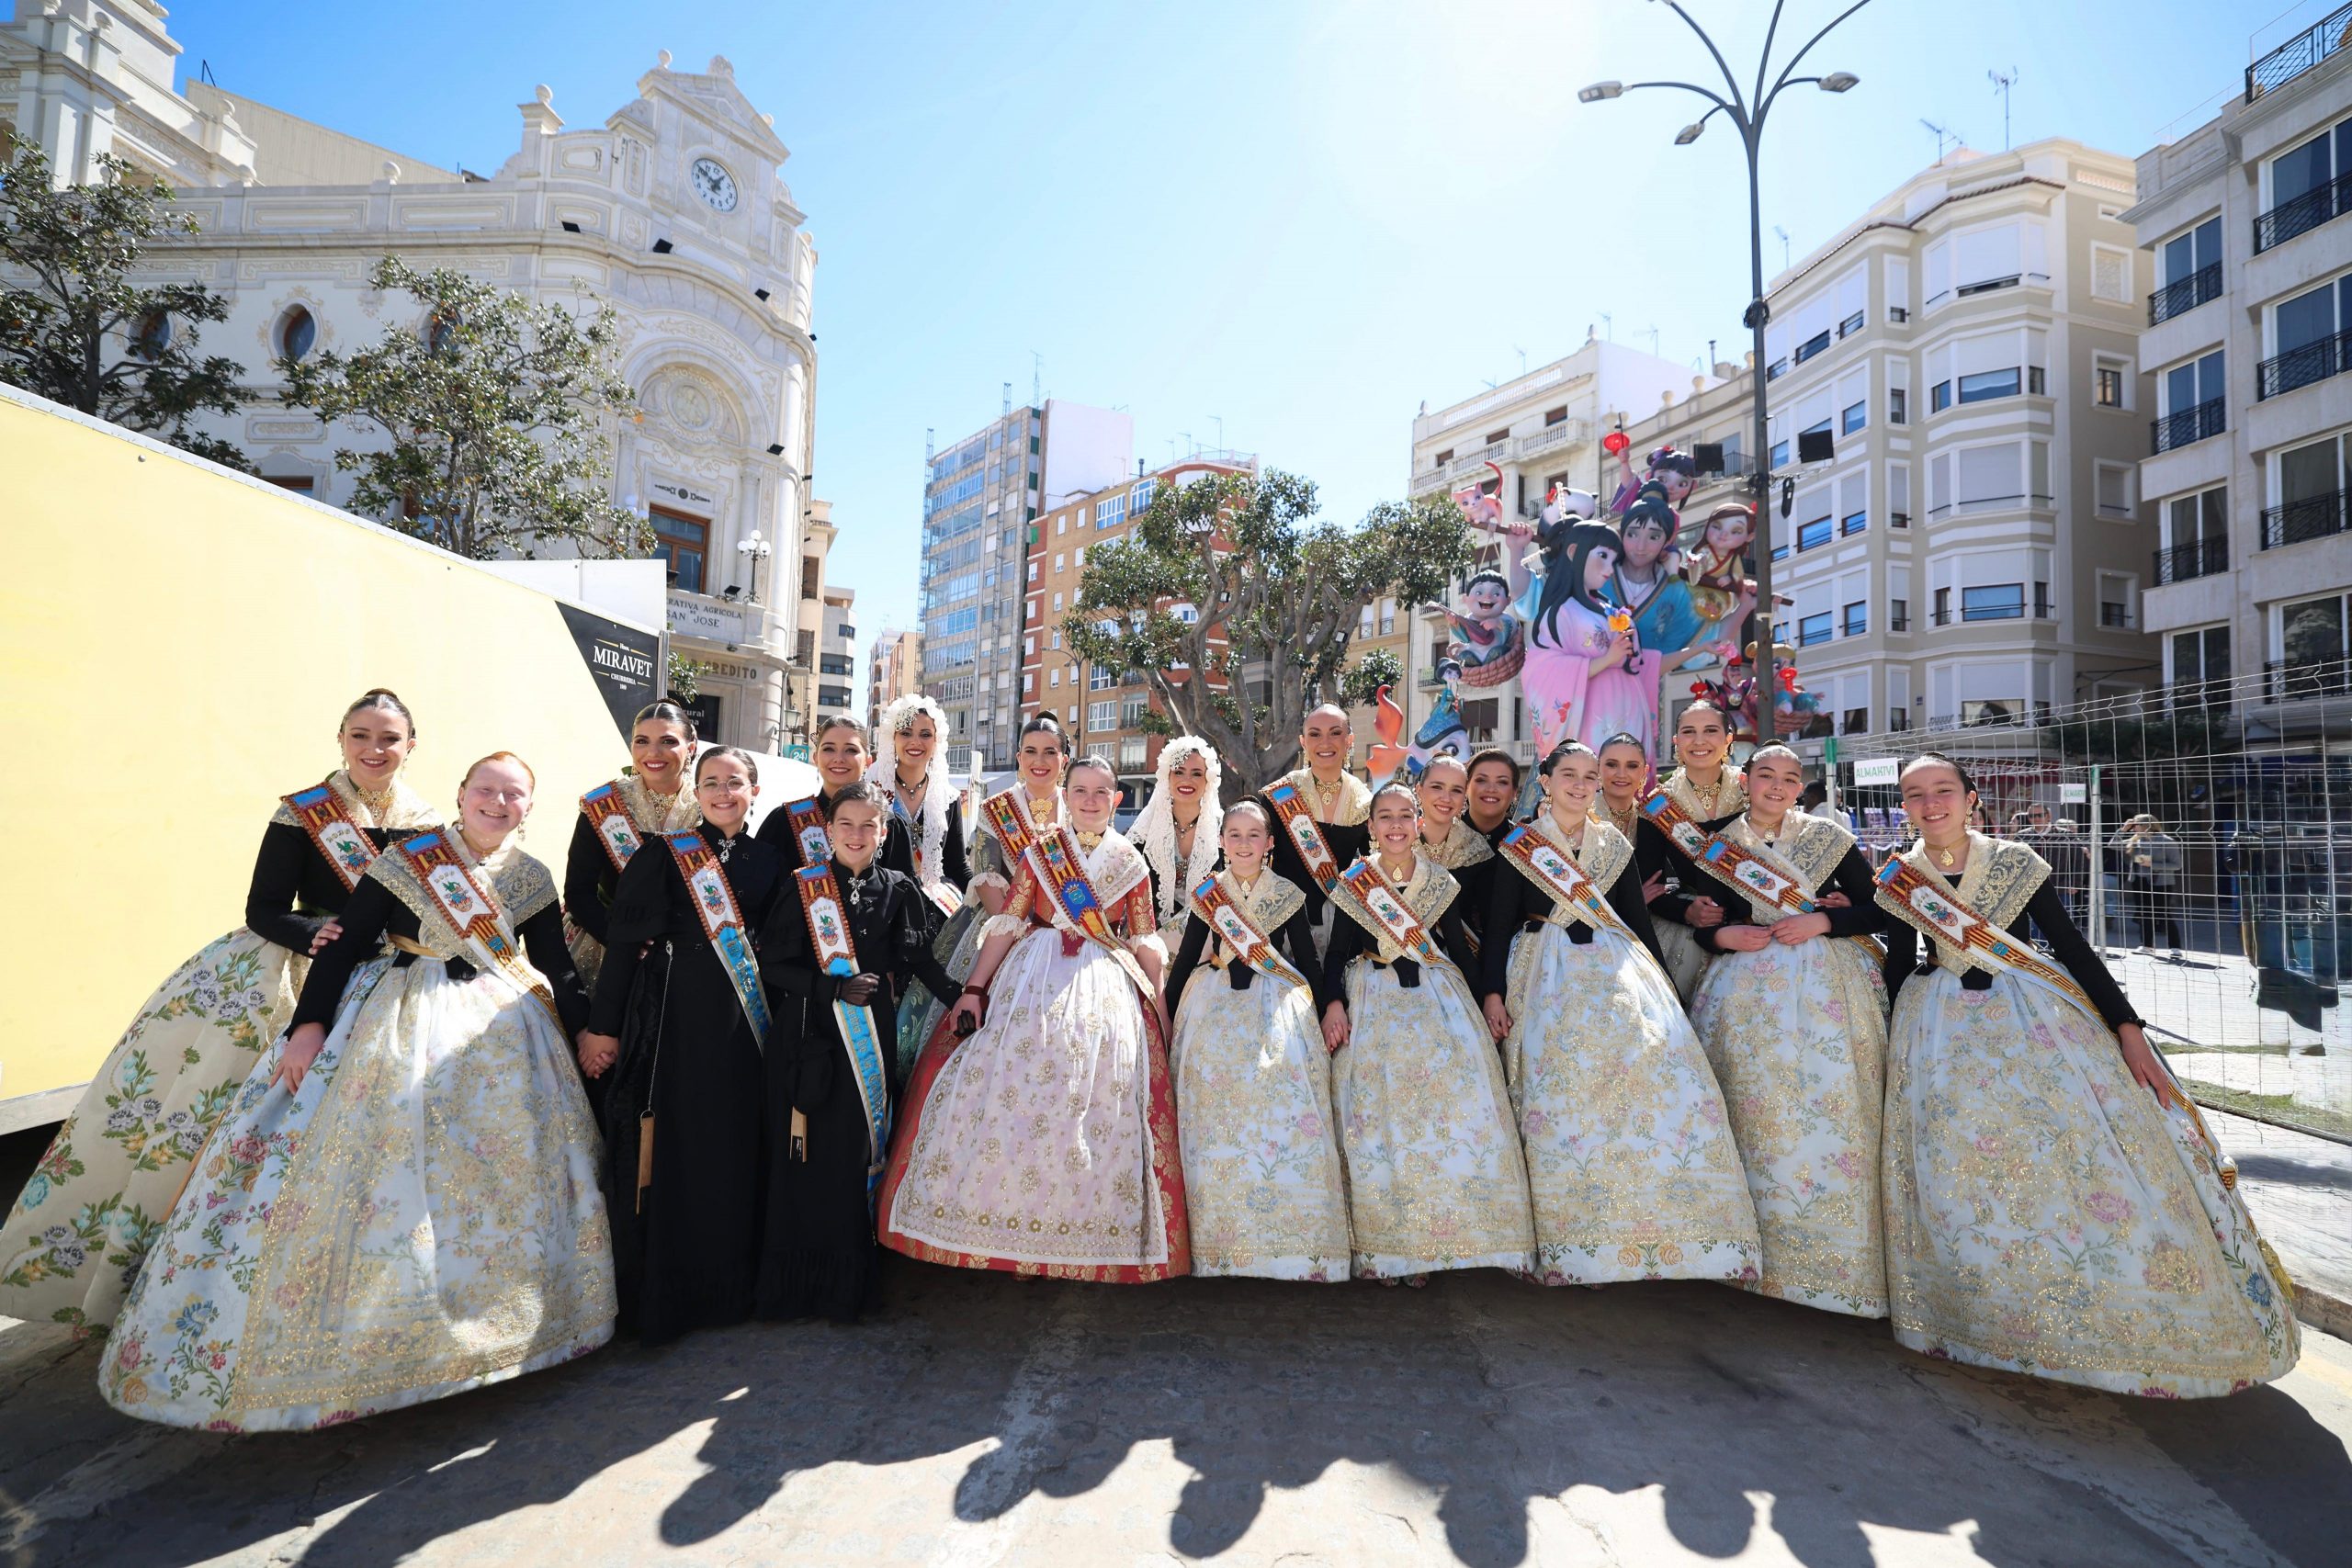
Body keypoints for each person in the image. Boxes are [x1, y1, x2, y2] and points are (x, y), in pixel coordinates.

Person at [100, 753, 610, 1431]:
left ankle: (502, 1333)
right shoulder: (406, 859)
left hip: (499, 1029)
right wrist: (309, 1026)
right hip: (395, 1016)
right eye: (485, 789)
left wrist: (586, 1031)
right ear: (461, 795)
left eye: (513, 794)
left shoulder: (532, 877)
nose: (497, 801)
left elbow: (555, 963)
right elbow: (342, 946)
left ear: (528, 807)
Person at [0, 690, 441, 1332]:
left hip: (377, 976)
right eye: (361, 735)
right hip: (288, 973)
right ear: (341, 739)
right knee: (217, 1122)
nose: (375, 749)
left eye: (389, 737)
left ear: (411, 744)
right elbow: (263, 907)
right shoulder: (302, 813)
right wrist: (308, 935)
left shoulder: (427, 821)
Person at [1879, 755, 2298, 1395]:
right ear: (1904, 805)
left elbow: (2072, 946)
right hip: (1939, 1036)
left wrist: (2128, 1028)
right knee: (1960, 1174)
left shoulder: (2016, 860)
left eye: (1943, 791)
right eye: (1915, 794)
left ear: (1971, 798)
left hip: (2032, 1025)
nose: (1930, 803)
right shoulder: (1902, 875)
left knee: (2066, 1161)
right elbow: (1901, 962)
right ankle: (1979, 1314)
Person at [879, 756, 1189, 1281]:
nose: (1090, 800)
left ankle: (1078, 1235)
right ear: (1065, 797)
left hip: (1105, 983)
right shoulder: (1040, 854)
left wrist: (1159, 1006)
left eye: (1101, 792)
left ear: (1117, 800)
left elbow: (1142, 940)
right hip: (1030, 980)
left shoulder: (1132, 864)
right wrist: (975, 988)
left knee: (1096, 1096)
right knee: (1010, 1089)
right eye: (1081, 791)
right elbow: (1007, 923)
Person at [1483, 742, 1758, 1286]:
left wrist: (1667, 1000)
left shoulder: (1615, 844)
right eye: (1570, 775)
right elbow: (1497, 927)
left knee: (1649, 1086)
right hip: (1545, 972)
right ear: (1546, 779)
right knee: (1562, 1094)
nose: (1582, 784)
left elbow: (1637, 922)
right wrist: (1492, 993)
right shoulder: (1520, 845)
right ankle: (1570, 1238)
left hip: (1615, 972)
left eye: (1590, 776)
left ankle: (1652, 1226)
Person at [1656, 743, 1892, 1318]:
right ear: (1746, 779)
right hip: (1743, 995)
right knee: (1750, 1112)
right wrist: (1718, 937)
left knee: (1828, 1110)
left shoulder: (1829, 839)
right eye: (1767, 775)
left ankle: (1828, 1259)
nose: (1779, 786)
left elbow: (1881, 909)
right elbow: (1696, 913)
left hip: (1828, 992)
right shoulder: (1715, 842)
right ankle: (1739, 1248)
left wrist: (1826, 919)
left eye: (1790, 778)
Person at [574, 748, 785, 1345]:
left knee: (737, 1147)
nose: (723, 792)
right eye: (711, 783)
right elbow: (622, 946)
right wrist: (605, 1026)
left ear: (753, 788)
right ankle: (673, 1296)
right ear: (698, 791)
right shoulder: (662, 855)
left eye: (734, 782)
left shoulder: (769, 859)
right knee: (678, 1149)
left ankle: (731, 1287)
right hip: (677, 1020)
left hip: (746, 1025)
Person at [1320, 784, 1534, 1281]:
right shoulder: (1356, 883)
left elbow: (1459, 949)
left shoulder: (1440, 882)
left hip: (1439, 1000)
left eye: (1403, 816)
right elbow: (1335, 954)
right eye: (1384, 817)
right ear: (1370, 827)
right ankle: (1390, 1245)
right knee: (1380, 1124)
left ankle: (1445, 1238)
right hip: (1374, 1002)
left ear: (1418, 823)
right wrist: (1333, 1004)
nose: (1395, 826)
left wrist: (1488, 998)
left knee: (1452, 1115)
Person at [761, 782, 957, 1321]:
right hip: (811, 1037)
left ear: (884, 831)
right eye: (845, 824)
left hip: (872, 1034)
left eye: (868, 825)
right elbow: (772, 965)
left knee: (857, 1157)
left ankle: (849, 1288)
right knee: (807, 1159)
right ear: (827, 830)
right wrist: (830, 989)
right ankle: (800, 1288)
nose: (856, 834)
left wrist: (963, 1000)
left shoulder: (899, 887)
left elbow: (919, 962)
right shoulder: (803, 887)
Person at [1164, 801, 1351, 1280]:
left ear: (1270, 845)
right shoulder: (1209, 895)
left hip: (1275, 998)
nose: (1244, 843)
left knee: (1281, 1092)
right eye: (1234, 834)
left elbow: (1307, 961)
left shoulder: (1287, 893)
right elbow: (1185, 960)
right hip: (1213, 997)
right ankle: (1217, 1239)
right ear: (1222, 842)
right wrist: (1162, 1019)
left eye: (1254, 835)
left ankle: (1286, 1238)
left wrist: (1330, 1002)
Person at [897, 714, 1067, 1073]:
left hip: (1062, 935)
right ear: (1019, 758)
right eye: (1031, 752)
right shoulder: (998, 808)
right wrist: (1022, 938)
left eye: (1050, 752)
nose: (1040, 761)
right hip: (997, 926)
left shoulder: (1078, 806)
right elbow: (988, 878)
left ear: (1064, 760)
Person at [563, 700, 702, 996]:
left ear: (691, 747)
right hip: (605, 940)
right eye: (642, 741)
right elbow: (578, 891)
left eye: (668, 741)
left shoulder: (707, 806)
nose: (653, 753)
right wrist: (624, 943)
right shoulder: (602, 806)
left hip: (684, 950)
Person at [1592, 731, 1723, 1004]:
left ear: (1645, 772)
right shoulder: (1583, 816)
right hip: (1593, 925)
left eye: (1632, 766)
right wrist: (1633, 899)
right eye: (1611, 764)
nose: (1621, 774)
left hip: (1650, 919)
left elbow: (1671, 879)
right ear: (1597, 768)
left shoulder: (1653, 815)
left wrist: (1659, 893)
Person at [1523, 522, 1652, 758]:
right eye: (1602, 556)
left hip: (1628, 704)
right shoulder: (1562, 610)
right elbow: (1545, 666)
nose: (1610, 568)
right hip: (1592, 712)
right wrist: (1607, 659)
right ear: (1573, 553)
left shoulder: (1610, 608)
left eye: (1613, 561)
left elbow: (1640, 663)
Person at [1258, 704, 1374, 961]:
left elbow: (1375, 867)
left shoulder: (1366, 801)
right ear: (1302, 741)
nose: (1325, 742)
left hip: (1343, 930)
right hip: (1282, 921)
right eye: (1315, 734)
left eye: (1335, 733)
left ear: (1349, 740)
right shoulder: (1279, 795)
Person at [1648, 700, 1745, 999]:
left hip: (1754, 922)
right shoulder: (1657, 803)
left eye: (1711, 731)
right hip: (1688, 930)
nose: (1699, 741)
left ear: (1728, 739)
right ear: (1676, 741)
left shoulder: (1751, 787)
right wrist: (1687, 911)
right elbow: (1651, 885)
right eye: (1689, 732)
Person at [760, 715, 915, 879]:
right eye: (828, 749)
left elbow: (905, 896)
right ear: (816, 758)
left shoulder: (889, 824)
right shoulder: (784, 821)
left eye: (851, 750)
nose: (839, 759)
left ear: (868, 762)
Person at [866, 693, 967, 910]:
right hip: (880, 908)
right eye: (905, 733)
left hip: (931, 911)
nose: (915, 742)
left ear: (936, 740)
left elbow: (956, 866)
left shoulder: (947, 798)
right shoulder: (872, 792)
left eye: (925, 734)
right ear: (892, 738)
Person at [1131, 736, 1224, 936]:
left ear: (1208, 780)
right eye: (1179, 772)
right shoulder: (1145, 830)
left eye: (1197, 774)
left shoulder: (1223, 831)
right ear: (1168, 777)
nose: (1186, 780)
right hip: (1149, 935)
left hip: (1207, 939)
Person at [2110, 814, 2184, 953]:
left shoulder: (2166, 841)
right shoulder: (2135, 840)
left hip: (2160, 881)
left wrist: (2153, 864)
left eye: (2135, 825)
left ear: (2146, 825)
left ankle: (2175, 946)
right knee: (2144, 913)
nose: (2133, 828)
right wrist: (2123, 830)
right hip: (2139, 880)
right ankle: (2147, 945)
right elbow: (2112, 845)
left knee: (2163, 913)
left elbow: (2177, 865)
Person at [1464, 748, 1523, 848]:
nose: (1491, 789)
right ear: (1466, 786)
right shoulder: (1441, 835)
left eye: (1502, 782)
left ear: (1514, 792)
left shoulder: (1524, 841)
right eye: (1481, 780)